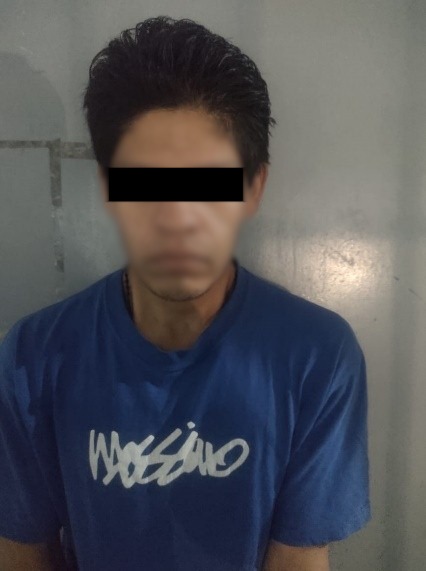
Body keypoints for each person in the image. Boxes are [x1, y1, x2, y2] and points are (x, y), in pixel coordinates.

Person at [0, 15, 371, 571]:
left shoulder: (316, 356)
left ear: (254, 188)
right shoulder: (31, 358)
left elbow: (298, 559)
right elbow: (22, 553)